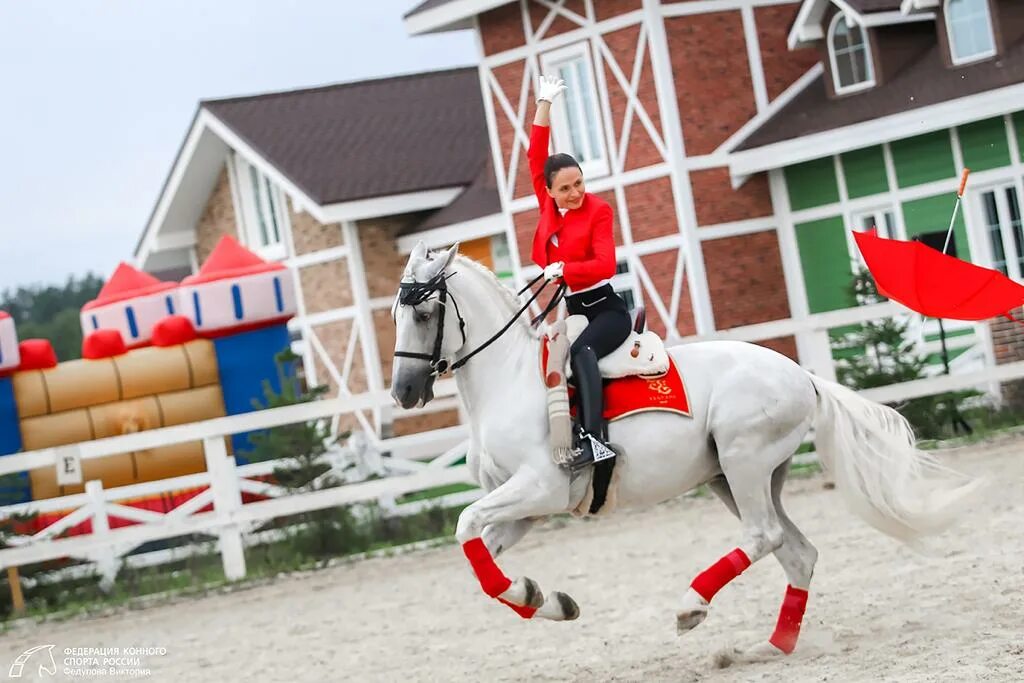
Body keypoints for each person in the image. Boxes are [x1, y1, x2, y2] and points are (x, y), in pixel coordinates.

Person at [529, 74, 631, 471]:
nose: (575, 193)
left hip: (606, 308)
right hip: (572, 308)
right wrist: (544, 103)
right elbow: (536, 156)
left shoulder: (598, 210)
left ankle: (596, 440)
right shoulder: (547, 204)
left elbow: (605, 265)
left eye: (579, 184)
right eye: (566, 188)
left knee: (583, 352)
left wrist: (565, 267)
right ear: (550, 191)